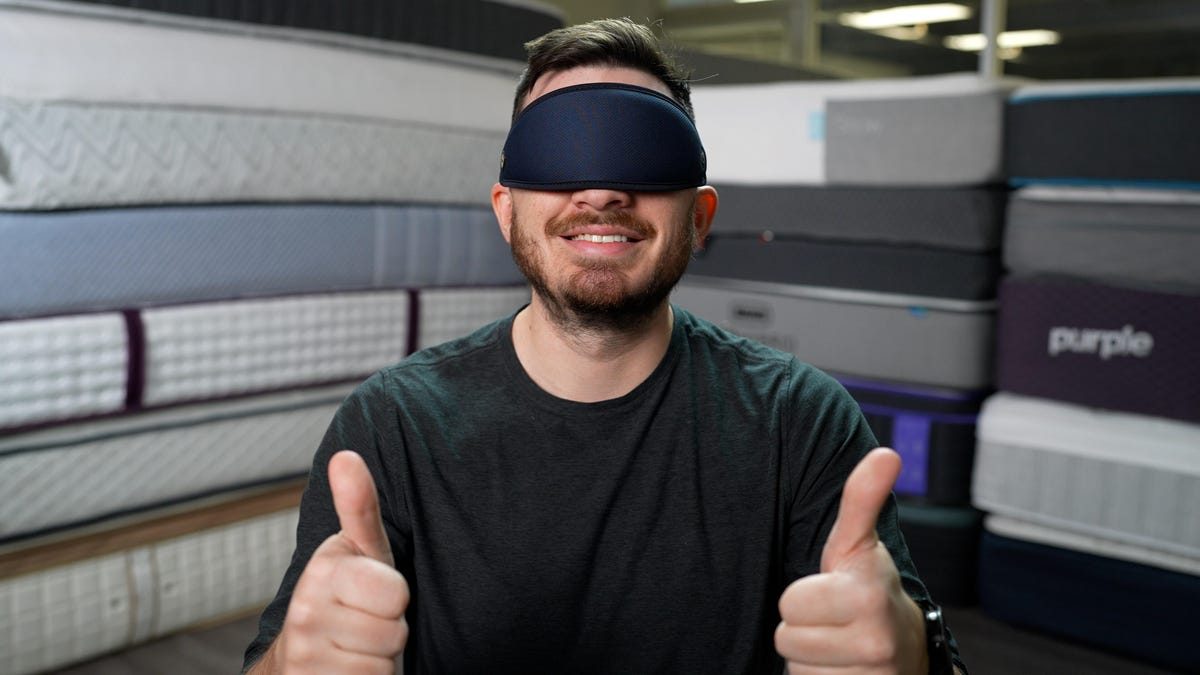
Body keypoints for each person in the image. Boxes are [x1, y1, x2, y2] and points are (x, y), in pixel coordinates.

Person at [243, 17, 966, 675]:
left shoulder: (799, 421)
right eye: (558, 151)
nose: (601, 191)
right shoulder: (390, 426)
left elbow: (915, 651)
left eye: (644, 152)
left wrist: (908, 656)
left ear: (700, 217)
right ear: (506, 210)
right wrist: (294, 665)